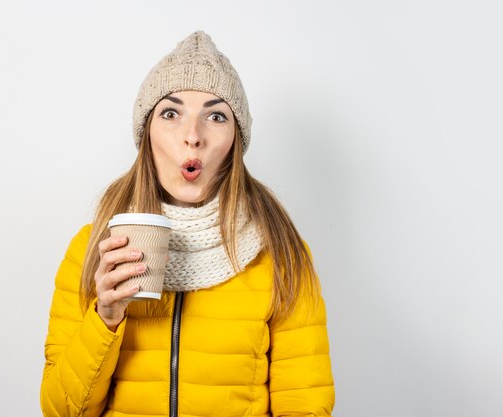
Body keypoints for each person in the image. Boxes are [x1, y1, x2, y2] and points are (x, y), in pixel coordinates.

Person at [40, 30, 335, 417]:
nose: (192, 136)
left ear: (236, 140)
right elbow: (61, 411)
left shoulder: (280, 252)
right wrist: (105, 319)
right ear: (146, 134)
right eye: (170, 113)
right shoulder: (94, 247)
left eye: (215, 116)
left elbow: (304, 405)